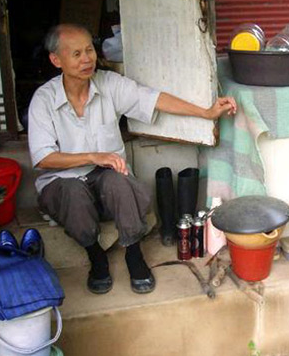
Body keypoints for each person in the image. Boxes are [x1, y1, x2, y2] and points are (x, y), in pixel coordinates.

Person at [28, 24, 237, 295]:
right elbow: (44, 158)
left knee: (119, 182)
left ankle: (134, 254)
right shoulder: (44, 100)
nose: (87, 59)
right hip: (63, 184)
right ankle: (96, 256)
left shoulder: (108, 84)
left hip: (104, 184)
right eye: (76, 53)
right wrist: (94, 155)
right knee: (72, 192)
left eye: (89, 50)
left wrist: (205, 112)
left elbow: (154, 99)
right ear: (56, 60)